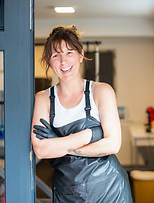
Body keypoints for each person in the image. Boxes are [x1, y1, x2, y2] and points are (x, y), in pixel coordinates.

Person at [31, 25, 133, 202]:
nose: (63, 61)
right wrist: (91, 134)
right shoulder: (43, 99)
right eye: (56, 55)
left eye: (69, 52)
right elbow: (41, 150)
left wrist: (60, 147)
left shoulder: (101, 91)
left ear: (80, 54)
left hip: (109, 189)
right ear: (49, 61)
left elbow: (113, 144)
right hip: (67, 191)